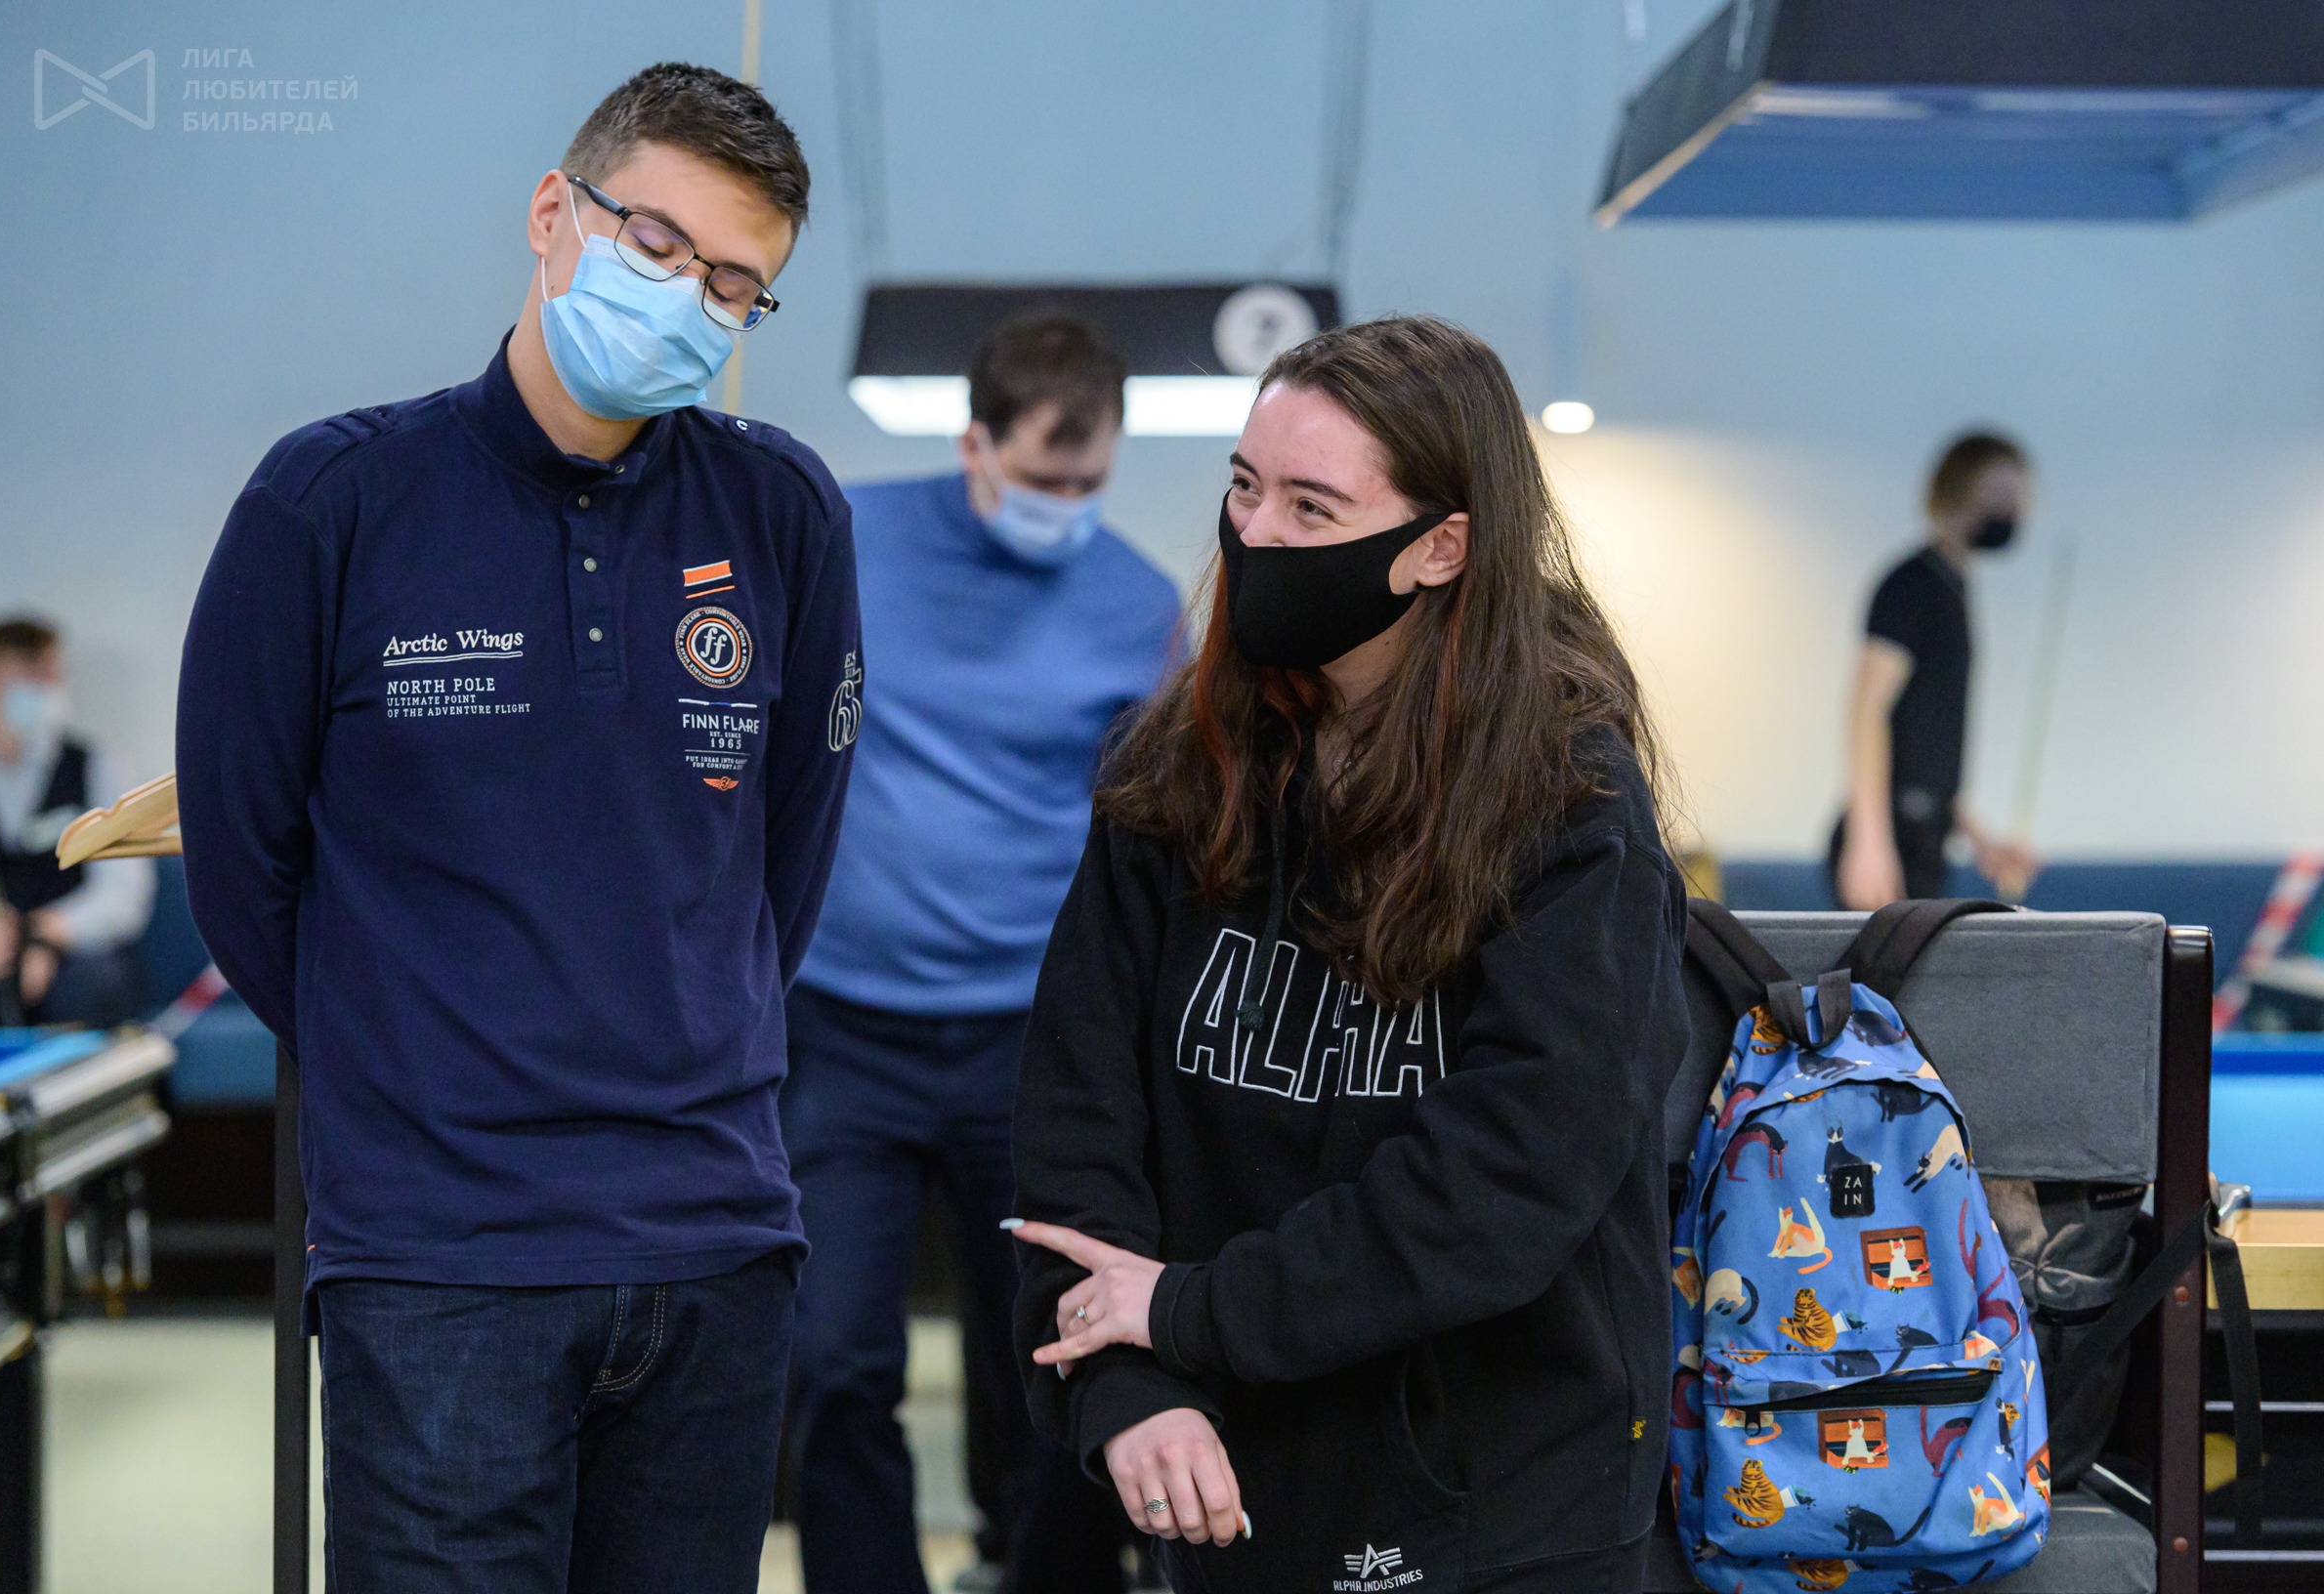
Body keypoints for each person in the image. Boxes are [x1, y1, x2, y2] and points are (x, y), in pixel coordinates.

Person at [175, 64, 857, 1593]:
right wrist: (420, 1056)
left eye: (734, 285)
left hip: (715, 1243)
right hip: (440, 1258)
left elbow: (783, 870)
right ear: (556, 212)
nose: (689, 300)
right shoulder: (332, 501)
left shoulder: (784, 513)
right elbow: (242, 867)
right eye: (660, 245)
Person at [1005, 316, 1692, 1592]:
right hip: (1232, 1479)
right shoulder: (1177, 770)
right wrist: (1131, 1388)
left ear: (1441, 548)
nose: (1255, 534)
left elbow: (1505, 1182)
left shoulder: (1569, 806)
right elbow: (1075, 1117)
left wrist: (1188, 1311)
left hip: (1500, 1507)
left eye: (1312, 508)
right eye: (1244, 487)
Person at [782, 314, 1180, 1594]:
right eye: (1044, 475)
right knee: (834, 1358)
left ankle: (1042, 1578)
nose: (1067, 503)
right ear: (974, 444)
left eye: (1089, 479)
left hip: (1032, 1036)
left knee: (1053, 1357)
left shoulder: (1137, 603)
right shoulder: (845, 537)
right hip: (842, 1026)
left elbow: (1162, 831)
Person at [1832, 431, 2040, 909]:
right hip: (1890, 841)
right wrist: (1869, 842)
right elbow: (1866, 711)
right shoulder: (1911, 586)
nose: (2010, 511)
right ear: (1953, 491)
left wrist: (1982, 842)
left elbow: (1928, 754)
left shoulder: (1953, 589)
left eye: (2018, 498)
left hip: (1922, 841)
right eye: (1998, 494)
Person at [0, 615, 155, 1028]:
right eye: (27, 675)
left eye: (50, 675)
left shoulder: (96, 768)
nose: (43, 689)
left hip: (76, 956)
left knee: (91, 984)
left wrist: (48, 933)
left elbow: (123, 895)